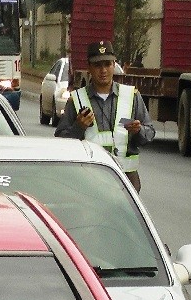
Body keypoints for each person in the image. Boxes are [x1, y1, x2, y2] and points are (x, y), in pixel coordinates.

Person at [55, 41, 155, 193]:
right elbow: (61, 142)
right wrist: (78, 128)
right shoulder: (77, 100)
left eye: (107, 64)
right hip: (88, 182)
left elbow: (149, 133)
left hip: (126, 182)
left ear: (114, 65)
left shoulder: (132, 96)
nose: (103, 70)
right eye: (97, 65)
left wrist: (138, 130)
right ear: (89, 67)